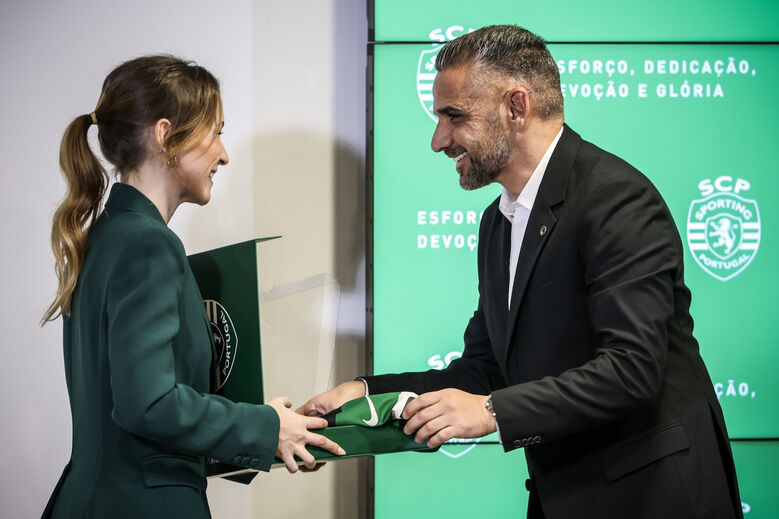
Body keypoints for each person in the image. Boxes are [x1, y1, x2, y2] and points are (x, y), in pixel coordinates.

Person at [301, 25, 742, 519]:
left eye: (454, 116)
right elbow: (484, 370)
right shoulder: (498, 222)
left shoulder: (616, 198)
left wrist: (491, 411)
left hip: (653, 499)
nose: (438, 140)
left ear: (516, 107)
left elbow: (632, 369)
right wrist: (364, 394)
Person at [41, 55, 344, 519]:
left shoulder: (104, 238)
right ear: (165, 136)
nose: (224, 153)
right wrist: (266, 427)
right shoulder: (149, 245)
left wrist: (269, 427)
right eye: (216, 131)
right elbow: (150, 404)